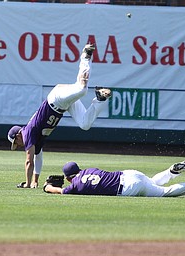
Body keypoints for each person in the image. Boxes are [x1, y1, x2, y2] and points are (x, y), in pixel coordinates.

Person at [7, 43, 111, 189]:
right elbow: (38, 157)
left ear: (17, 135)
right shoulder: (34, 137)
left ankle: (85, 56)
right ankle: (100, 99)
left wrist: (28, 183)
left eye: (16, 143)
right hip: (63, 106)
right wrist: (35, 180)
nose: (19, 145)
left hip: (56, 99)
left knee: (81, 89)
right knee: (85, 124)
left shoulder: (27, 132)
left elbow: (29, 161)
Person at [43, 160, 185, 197]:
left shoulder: (75, 187)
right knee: (151, 182)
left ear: (68, 178)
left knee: (164, 192)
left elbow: (61, 192)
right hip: (128, 174)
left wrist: (47, 187)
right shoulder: (90, 169)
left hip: (127, 188)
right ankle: (171, 171)